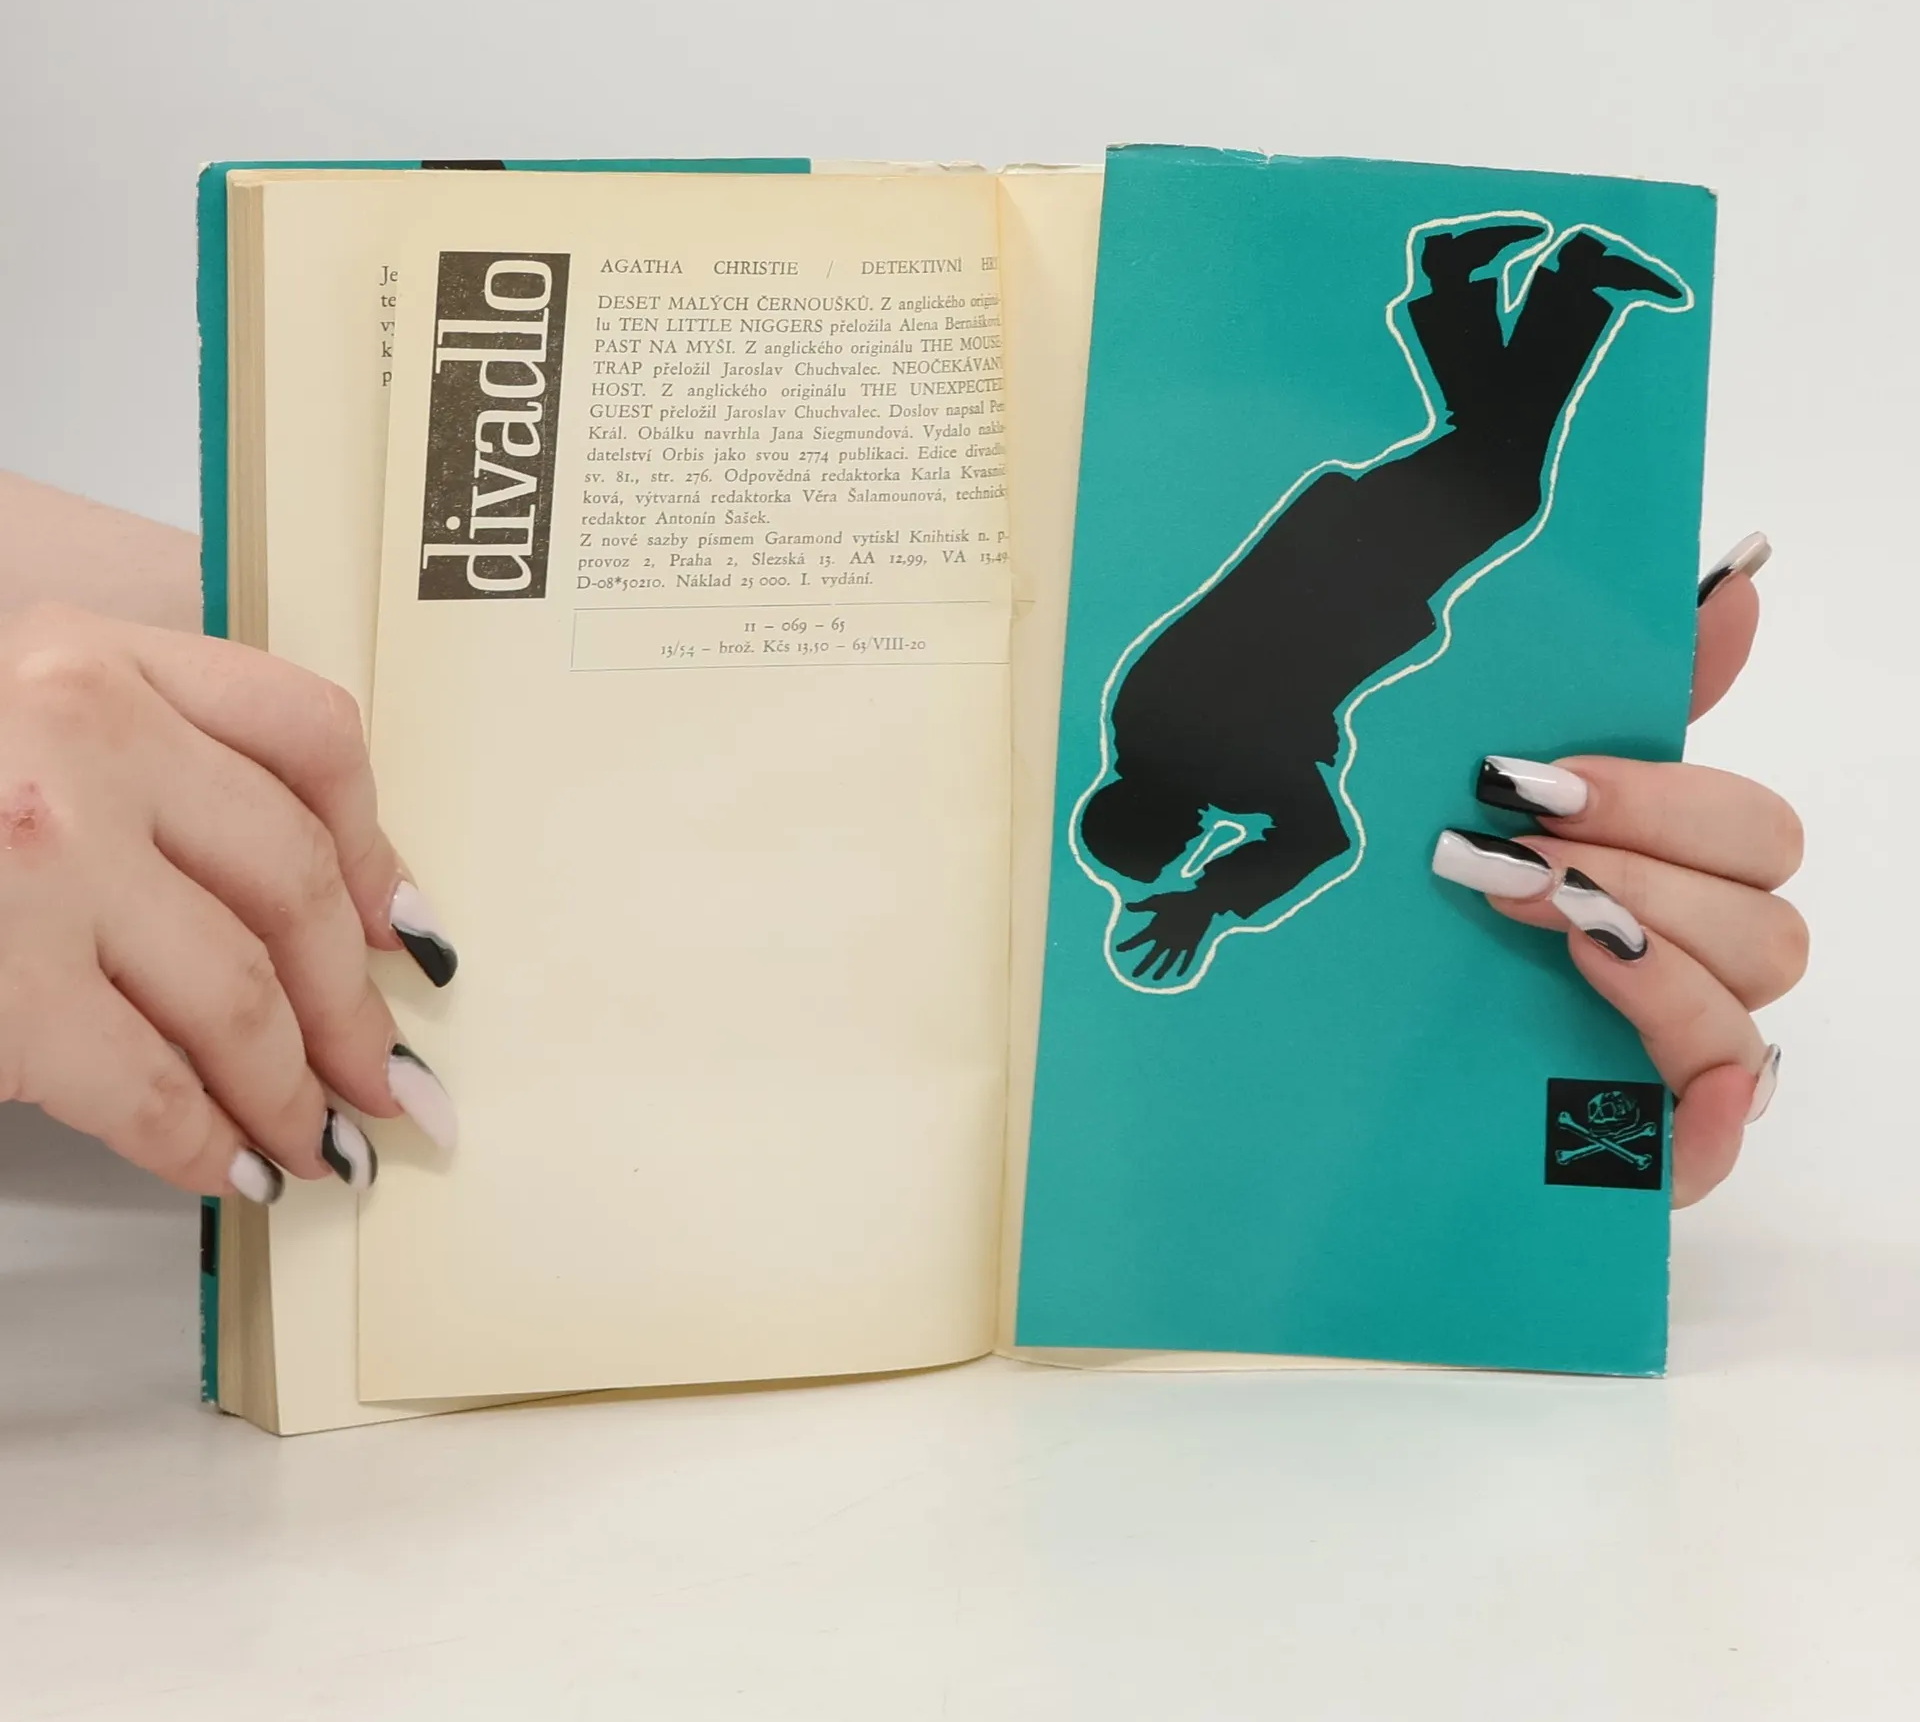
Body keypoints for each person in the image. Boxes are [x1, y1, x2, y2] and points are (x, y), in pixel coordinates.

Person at [0, 471, 1801, 1211]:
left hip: (1349, 579)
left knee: (1494, 470)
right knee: (1495, 468)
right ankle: (1479, 291)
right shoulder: (1200, 742)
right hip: (1351, 578)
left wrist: (179, 765)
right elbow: (1316, 828)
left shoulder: (1188, 735)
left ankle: (1478, 291)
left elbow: (111, 720)